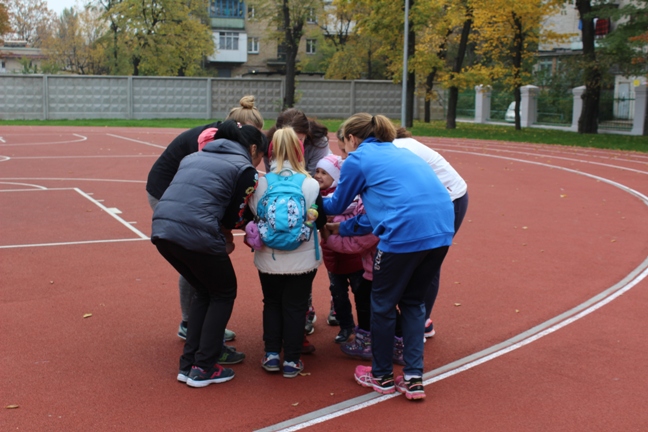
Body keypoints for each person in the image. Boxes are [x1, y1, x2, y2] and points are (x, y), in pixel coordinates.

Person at [322, 113, 454, 401]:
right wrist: (342, 228)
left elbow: (337, 203)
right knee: (414, 302)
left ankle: (381, 375)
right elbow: (381, 212)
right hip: (441, 231)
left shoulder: (358, 159)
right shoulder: (401, 152)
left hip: (403, 237)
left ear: (351, 138)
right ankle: (413, 377)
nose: (343, 152)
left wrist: (308, 195)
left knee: (381, 305)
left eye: (343, 144)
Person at [151, 120, 268, 388]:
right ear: (253, 149)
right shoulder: (245, 169)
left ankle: (189, 364)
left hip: (163, 230)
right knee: (224, 292)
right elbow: (232, 216)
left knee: (204, 291)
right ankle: (204, 367)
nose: (260, 162)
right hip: (196, 234)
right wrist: (250, 226)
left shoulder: (194, 156)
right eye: (261, 156)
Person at [247, 126, 326, 378]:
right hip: (302, 258)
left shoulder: (261, 183)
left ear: (270, 152)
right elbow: (321, 220)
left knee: (271, 303)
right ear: (300, 151)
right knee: (296, 306)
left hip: (268, 257)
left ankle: (271, 354)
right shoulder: (310, 183)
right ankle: (292, 359)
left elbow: (253, 214)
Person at [393, 128, 469, 340]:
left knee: (428, 261)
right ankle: (420, 321)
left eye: (345, 149)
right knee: (424, 260)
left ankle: (419, 323)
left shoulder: (399, 149)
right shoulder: (391, 148)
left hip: (450, 199)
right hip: (435, 200)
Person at [264, 108, 331, 342]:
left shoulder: (319, 142)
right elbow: (272, 178)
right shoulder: (271, 143)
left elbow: (319, 177)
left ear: (307, 135)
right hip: (291, 195)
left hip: (310, 191)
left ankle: (309, 306)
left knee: (312, 254)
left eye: (300, 139)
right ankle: (297, 317)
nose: (295, 143)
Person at [315, 154, 368, 344]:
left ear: (336, 177)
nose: (318, 175)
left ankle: (364, 329)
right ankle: (346, 327)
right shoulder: (317, 197)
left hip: (353, 258)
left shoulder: (348, 199)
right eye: (317, 171)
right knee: (338, 294)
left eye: (324, 172)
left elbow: (352, 222)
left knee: (361, 294)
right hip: (333, 258)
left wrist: (330, 221)